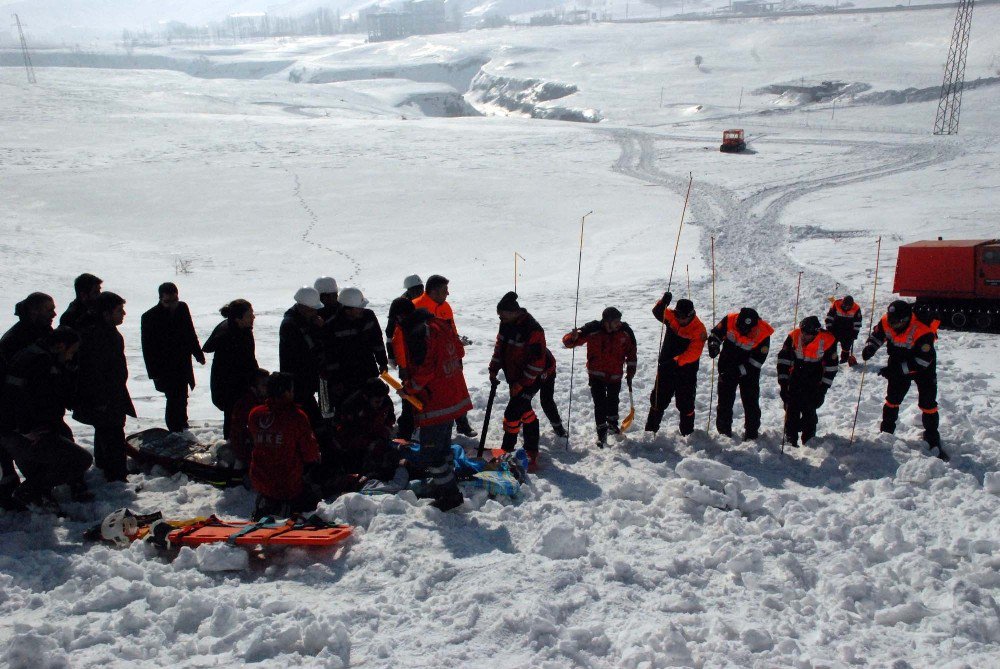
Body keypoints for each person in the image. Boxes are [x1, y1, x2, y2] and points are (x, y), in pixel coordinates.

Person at [0, 327, 93, 510]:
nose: (70, 358)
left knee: (52, 456)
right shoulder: (40, 361)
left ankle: (38, 496)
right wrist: (26, 430)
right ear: (59, 346)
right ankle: (27, 492)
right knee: (80, 460)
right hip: (22, 431)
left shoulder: (33, 354)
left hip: (14, 429)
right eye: (71, 352)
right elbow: (22, 397)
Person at [404, 302, 472, 511]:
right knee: (443, 448)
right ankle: (444, 483)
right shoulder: (442, 325)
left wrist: (410, 388)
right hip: (452, 397)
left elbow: (427, 367)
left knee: (432, 453)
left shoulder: (421, 332)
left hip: (435, 403)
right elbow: (459, 352)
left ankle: (450, 495)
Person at [861, 300, 946, 460]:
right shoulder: (888, 321)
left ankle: (932, 438)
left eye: (898, 322)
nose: (893, 325)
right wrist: (870, 347)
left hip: (923, 368)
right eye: (892, 321)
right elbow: (878, 335)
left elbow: (922, 361)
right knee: (892, 399)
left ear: (907, 319)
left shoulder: (922, 330)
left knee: (928, 404)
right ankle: (886, 432)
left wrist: (897, 371)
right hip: (897, 360)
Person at [75, 292, 136, 482]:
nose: (123, 313)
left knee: (106, 430)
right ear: (106, 313)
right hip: (105, 395)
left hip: (112, 392)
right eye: (119, 310)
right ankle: (116, 474)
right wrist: (100, 399)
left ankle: (104, 465)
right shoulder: (98, 336)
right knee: (113, 432)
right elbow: (93, 372)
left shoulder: (106, 332)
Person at [0, 292, 57, 495]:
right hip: (17, 411)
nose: (54, 313)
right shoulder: (14, 339)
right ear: (34, 310)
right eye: (49, 309)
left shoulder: (43, 332)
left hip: (39, 407)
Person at [248, 372, 321, 519]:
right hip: (287, 483)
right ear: (286, 392)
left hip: (259, 479)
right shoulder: (296, 416)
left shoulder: (255, 413)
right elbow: (310, 454)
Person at [563, 307, 637, 447]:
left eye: (619, 321)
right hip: (596, 374)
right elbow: (569, 342)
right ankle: (601, 432)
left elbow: (631, 352)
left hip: (615, 374)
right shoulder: (592, 329)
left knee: (613, 400)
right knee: (600, 403)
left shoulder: (625, 332)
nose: (618, 324)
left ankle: (612, 424)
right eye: (615, 321)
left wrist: (631, 371)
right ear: (606, 321)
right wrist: (572, 338)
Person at [413, 274, 476, 437]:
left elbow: (452, 330)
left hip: (449, 356)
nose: (448, 293)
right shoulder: (417, 307)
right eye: (444, 290)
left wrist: (456, 352)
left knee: (456, 390)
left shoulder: (445, 306)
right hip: (430, 361)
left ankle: (462, 424)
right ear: (433, 292)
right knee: (433, 395)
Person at [488, 292, 547, 467]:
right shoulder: (506, 324)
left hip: (533, 376)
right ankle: (529, 449)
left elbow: (538, 363)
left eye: (503, 315)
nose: (501, 319)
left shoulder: (532, 329)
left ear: (514, 312)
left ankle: (510, 449)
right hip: (514, 376)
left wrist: (522, 384)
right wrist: (494, 367)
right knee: (524, 410)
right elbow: (501, 347)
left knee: (512, 413)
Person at [140, 283, 205, 435]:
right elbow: (148, 348)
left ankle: (182, 424)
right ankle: (174, 429)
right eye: (168, 301)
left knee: (182, 395)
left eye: (175, 300)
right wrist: (154, 373)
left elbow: (190, 332)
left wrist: (198, 354)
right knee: (173, 397)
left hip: (182, 362)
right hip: (164, 367)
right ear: (160, 299)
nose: (172, 305)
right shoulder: (150, 317)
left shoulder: (182, 308)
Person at [645, 293, 707, 436]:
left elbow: (694, 353)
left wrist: (675, 361)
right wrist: (663, 302)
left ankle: (688, 434)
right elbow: (657, 312)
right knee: (658, 400)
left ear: (691, 315)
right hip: (666, 368)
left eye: (683, 318)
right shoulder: (673, 317)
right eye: (678, 316)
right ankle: (650, 431)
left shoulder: (699, 330)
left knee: (685, 404)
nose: (680, 320)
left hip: (686, 372)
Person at [707, 307, 774, 440]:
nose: (743, 330)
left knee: (751, 403)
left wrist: (739, 371)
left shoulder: (763, 333)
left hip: (749, 372)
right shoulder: (730, 320)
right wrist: (714, 345)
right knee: (724, 402)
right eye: (741, 327)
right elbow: (716, 334)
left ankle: (751, 433)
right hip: (727, 366)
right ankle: (724, 433)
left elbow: (757, 362)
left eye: (746, 329)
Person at [320, 287, 388, 416]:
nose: (362, 309)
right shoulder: (332, 326)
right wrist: (335, 381)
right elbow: (330, 356)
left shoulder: (369, 317)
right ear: (348, 310)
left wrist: (382, 362)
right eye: (359, 307)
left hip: (367, 371)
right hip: (345, 378)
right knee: (347, 410)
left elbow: (377, 342)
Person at [777, 316, 839, 447]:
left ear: (815, 333)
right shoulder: (794, 336)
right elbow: (783, 361)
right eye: (803, 332)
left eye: (808, 334)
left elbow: (831, 367)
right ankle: (790, 439)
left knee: (809, 410)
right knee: (791, 408)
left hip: (814, 380)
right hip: (795, 377)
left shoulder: (827, 340)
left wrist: (823, 390)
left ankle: (809, 441)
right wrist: (783, 385)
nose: (804, 336)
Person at [202, 299, 259, 439]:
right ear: (239, 318)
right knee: (233, 418)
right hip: (228, 386)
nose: (253, 317)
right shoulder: (229, 334)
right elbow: (242, 363)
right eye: (249, 314)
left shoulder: (242, 330)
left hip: (238, 384)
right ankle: (232, 447)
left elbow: (249, 360)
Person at [280, 287, 325, 429]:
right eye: (313, 309)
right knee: (309, 418)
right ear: (304, 307)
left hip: (306, 379)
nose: (315, 312)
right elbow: (304, 352)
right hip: (298, 381)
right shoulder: (291, 325)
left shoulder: (302, 322)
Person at [333, 378, 396, 475]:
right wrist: (366, 443)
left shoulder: (385, 401)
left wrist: (385, 432)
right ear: (366, 397)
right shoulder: (351, 407)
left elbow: (390, 419)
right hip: (355, 445)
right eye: (377, 402)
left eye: (382, 400)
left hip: (377, 439)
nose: (380, 404)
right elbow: (344, 433)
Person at [228, 368, 270, 467]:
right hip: (248, 454)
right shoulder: (244, 405)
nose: (268, 388)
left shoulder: (268, 401)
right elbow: (237, 434)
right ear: (254, 387)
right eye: (264, 385)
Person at [386, 274, 424, 366]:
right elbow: (390, 331)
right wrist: (391, 355)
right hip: (406, 349)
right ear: (409, 290)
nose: (419, 291)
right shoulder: (399, 305)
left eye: (421, 288)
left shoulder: (427, 300)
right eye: (416, 289)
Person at [826, 295, 863, 366]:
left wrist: (855, 333)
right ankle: (831, 359)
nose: (846, 308)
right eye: (845, 306)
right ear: (842, 303)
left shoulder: (856, 308)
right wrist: (829, 327)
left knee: (846, 346)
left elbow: (857, 322)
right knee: (831, 345)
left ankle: (844, 360)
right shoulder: (836, 304)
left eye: (848, 307)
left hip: (848, 330)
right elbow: (829, 316)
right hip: (835, 328)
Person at [537, 348, 565, 438]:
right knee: (522, 399)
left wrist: (543, 376)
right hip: (528, 370)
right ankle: (521, 423)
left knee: (546, 401)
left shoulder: (545, 357)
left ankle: (558, 428)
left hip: (547, 371)